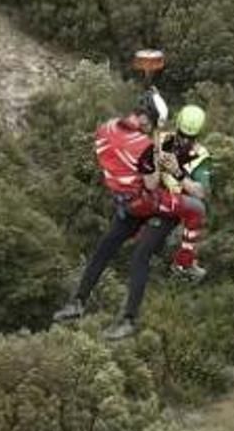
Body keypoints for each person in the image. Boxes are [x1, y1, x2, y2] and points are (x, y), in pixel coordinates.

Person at [52, 87, 207, 340]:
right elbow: (151, 183)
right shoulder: (146, 146)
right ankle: (133, 315)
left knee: (104, 249)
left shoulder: (107, 127)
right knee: (189, 214)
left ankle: (77, 302)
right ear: (147, 120)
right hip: (146, 202)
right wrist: (165, 165)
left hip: (125, 203)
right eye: (153, 124)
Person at [157, 104, 212, 282]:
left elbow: (200, 192)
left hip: (176, 199)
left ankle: (184, 262)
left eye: (190, 137)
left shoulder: (201, 155)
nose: (185, 141)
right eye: (182, 135)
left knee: (198, 209)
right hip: (155, 193)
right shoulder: (162, 139)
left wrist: (178, 173)